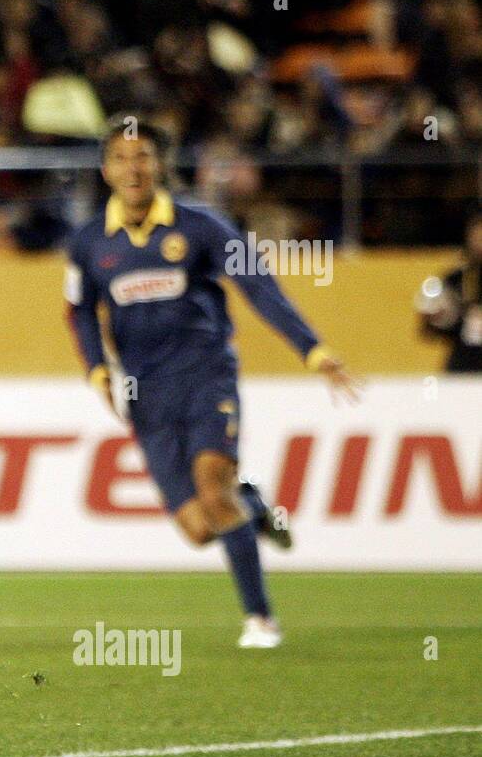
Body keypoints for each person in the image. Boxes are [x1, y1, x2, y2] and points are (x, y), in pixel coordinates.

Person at [65, 116, 361, 649]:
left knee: (212, 491)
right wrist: (96, 368)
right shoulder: (89, 243)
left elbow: (258, 285)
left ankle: (261, 620)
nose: (133, 168)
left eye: (143, 156)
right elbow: (79, 310)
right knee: (201, 527)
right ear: (106, 169)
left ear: (160, 164)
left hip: (206, 379)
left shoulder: (201, 226)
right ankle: (254, 502)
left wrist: (313, 351)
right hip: (146, 396)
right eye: (121, 158)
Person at [416, 208, 482, 373]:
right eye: (477, 235)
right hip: (465, 361)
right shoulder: (453, 279)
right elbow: (429, 327)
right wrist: (440, 322)